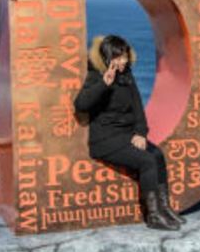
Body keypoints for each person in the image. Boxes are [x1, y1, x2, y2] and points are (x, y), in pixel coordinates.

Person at [74, 34, 184, 231]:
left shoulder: (127, 75)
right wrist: (104, 84)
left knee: (157, 154)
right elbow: (81, 104)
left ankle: (164, 208)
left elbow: (137, 108)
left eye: (125, 56)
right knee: (146, 161)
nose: (123, 61)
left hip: (127, 136)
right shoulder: (95, 75)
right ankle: (153, 215)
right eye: (119, 57)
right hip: (105, 140)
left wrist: (140, 133)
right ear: (107, 57)